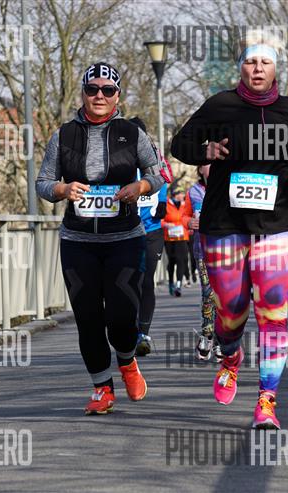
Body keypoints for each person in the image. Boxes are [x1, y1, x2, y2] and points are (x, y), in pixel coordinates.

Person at [170, 31, 288, 429]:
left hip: (280, 222)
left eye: (265, 62)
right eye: (251, 62)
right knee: (231, 311)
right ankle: (231, 356)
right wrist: (205, 150)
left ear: (275, 69)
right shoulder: (220, 105)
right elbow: (179, 144)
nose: (257, 68)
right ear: (241, 68)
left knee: (273, 310)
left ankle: (267, 400)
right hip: (226, 223)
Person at [36, 62, 166, 414]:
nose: (99, 95)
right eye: (92, 89)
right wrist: (62, 189)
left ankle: (127, 360)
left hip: (124, 238)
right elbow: (43, 183)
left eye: (107, 90)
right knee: (88, 318)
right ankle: (102, 389)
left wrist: (140, 186)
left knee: (122, 318)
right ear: (83, 93)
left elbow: (158, 174)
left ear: (117, 96)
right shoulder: (64, 135)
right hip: (78, 241)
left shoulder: (132, 133)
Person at [129, 117, 167, 357]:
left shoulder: (154, 157)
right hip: (127, 232)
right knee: (127, 282)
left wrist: (162, 200)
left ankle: (143, 333)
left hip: (152, 230)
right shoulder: (121, 159)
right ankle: (127, 329)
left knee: (145, 281)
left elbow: (163, 176)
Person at [181, 164, 222, 362]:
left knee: (223, 296)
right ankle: (207, 336)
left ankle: (222, 340)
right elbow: (184, 215)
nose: (212, 167)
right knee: (208, 293)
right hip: (202, 250)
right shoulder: (194, 191)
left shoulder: (227, 186)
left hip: (227, 251)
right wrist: (188, 222)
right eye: (207, 164)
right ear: (200, 169)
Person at [162, 186, 190, 296]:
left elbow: (189, 217)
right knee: (172, 261)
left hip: (182, 237)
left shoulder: (185, 204)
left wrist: (190, 226)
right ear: (175, 194)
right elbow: (160, 220)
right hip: (169, 237)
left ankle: (178, 285)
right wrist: (166, 224)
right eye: (180, 193)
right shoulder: (166, 204)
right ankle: (171, 283)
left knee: (180, 260)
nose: (182, 195)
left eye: (183, 193)